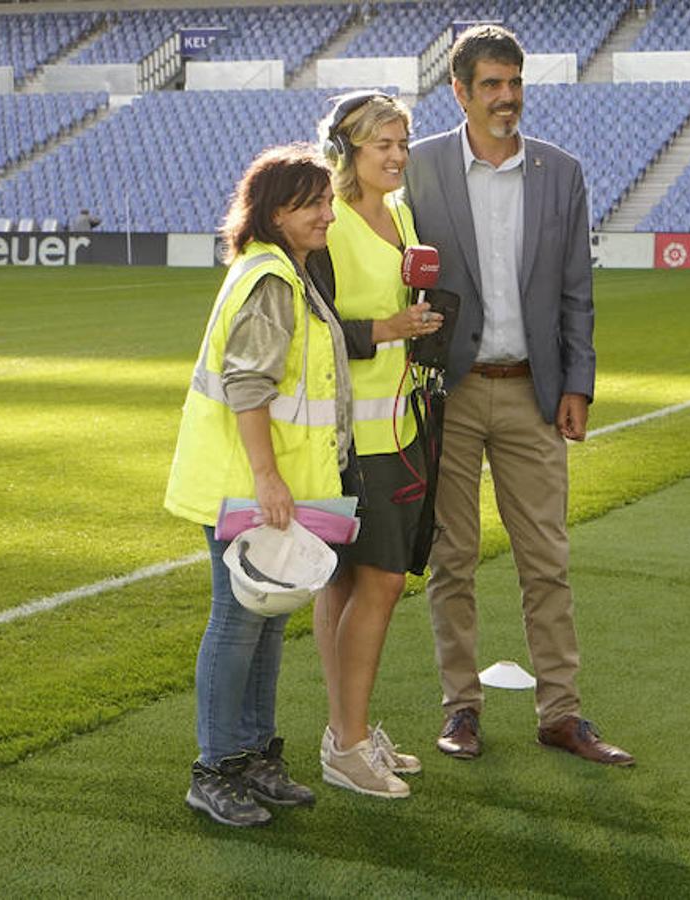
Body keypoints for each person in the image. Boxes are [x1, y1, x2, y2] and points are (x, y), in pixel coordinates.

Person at [403, 24, 633, 766]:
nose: (506, 98)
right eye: (491, 85)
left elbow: (576, 292)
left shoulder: (559, 172)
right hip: (452, 393)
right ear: (460, 91)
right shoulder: (420, 168)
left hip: (533, 392)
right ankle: (460, 710)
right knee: (453, 559)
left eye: (514, 83)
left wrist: (577, 383)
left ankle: (560, 714)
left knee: (547, 559)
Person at [164, 143, 347, 827]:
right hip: (246, 485)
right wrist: (268, 478)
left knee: (264, 620)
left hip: (272, 485)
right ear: (275, 212)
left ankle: (248, 755)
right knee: (239, 620)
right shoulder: (271, 278)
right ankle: (214, 766)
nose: (329, 214)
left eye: (329, 201)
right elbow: (247, 385)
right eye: (314, 204)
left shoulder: (280, 272)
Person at [305, 91, 443, 799]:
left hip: (399, 423)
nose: (395, 156)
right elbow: (315, 330)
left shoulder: (400, 212)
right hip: (350, 437)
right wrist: (388, 330)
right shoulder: (326, 226)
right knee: (378, 580)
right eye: (380, 145)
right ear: (346, 151)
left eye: (401, 143)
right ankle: (350, 743)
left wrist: (412, 326)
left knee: (349, 580)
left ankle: (345, 732)